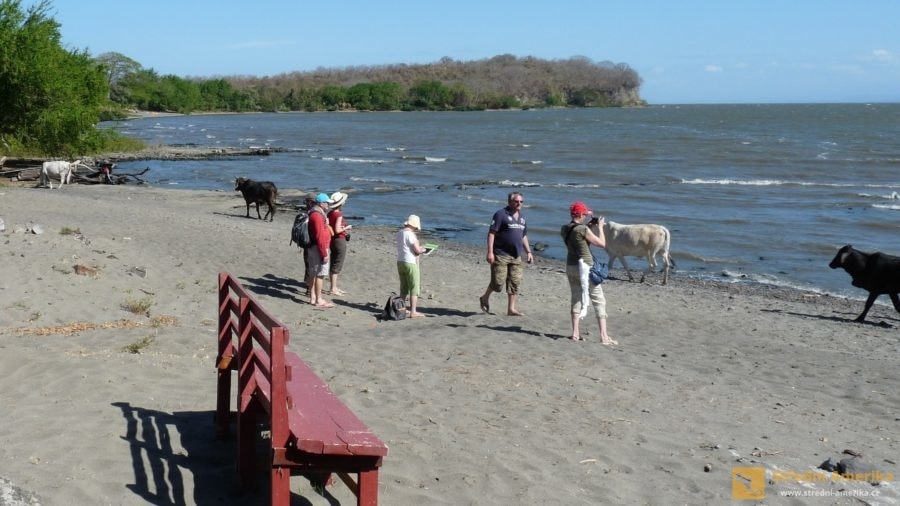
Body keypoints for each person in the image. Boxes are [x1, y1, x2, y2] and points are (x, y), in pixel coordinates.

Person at [561, 201, 617, 344]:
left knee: (576, 298)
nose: (586, 216)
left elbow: (578, 238)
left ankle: (575, 334)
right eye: (585, 214)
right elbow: (602, 244)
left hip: (571, 266)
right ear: (580, 214)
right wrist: (600, 228)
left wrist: (588, 227)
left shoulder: (565, 229)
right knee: (599, 300)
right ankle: (604, 336)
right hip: (585, 267)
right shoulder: (583, 230)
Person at [479, 192, 533, 316]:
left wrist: (529, 252)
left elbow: (523, 235)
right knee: (498, 283)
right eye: (516, 201)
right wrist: (490, 252)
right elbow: (492, 233)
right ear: (510, 202)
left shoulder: (522, 218)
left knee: (515, 282)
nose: (519, 203)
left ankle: (511, 309)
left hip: (516, 255)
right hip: (500, 253)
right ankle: (485, 297)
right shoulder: (500, 214)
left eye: (521, 202)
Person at [396, 214, 426, 318]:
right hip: (410, 262)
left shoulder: (400, 233)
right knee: (414, 287)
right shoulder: (411, 235)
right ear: (414, 225)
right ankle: (413, 311)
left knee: (404, 286)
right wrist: (423, 249)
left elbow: (406, 247)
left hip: (400, 261)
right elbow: (417, 250)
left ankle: (401, 308)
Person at [307, 193, 333, 308]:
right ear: (321, 204)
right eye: (327, 203)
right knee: (320, 274)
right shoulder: (317, 216)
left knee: (313, 273)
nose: (329, 205)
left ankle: (313, 297)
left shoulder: (315, 214)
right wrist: (324, 253)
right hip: (318, 248)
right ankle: (319, 299)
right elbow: (319, 237)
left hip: (314, 248)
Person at [327, 191, 352, 296]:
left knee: (333, 262)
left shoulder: (330, 213)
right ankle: (333, 288)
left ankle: (334, 286)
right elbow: (337, 230)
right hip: (339, 240)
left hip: (332, 239)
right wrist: (346, 227)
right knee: (337, 264)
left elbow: (330, 227)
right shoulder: (338, 214)